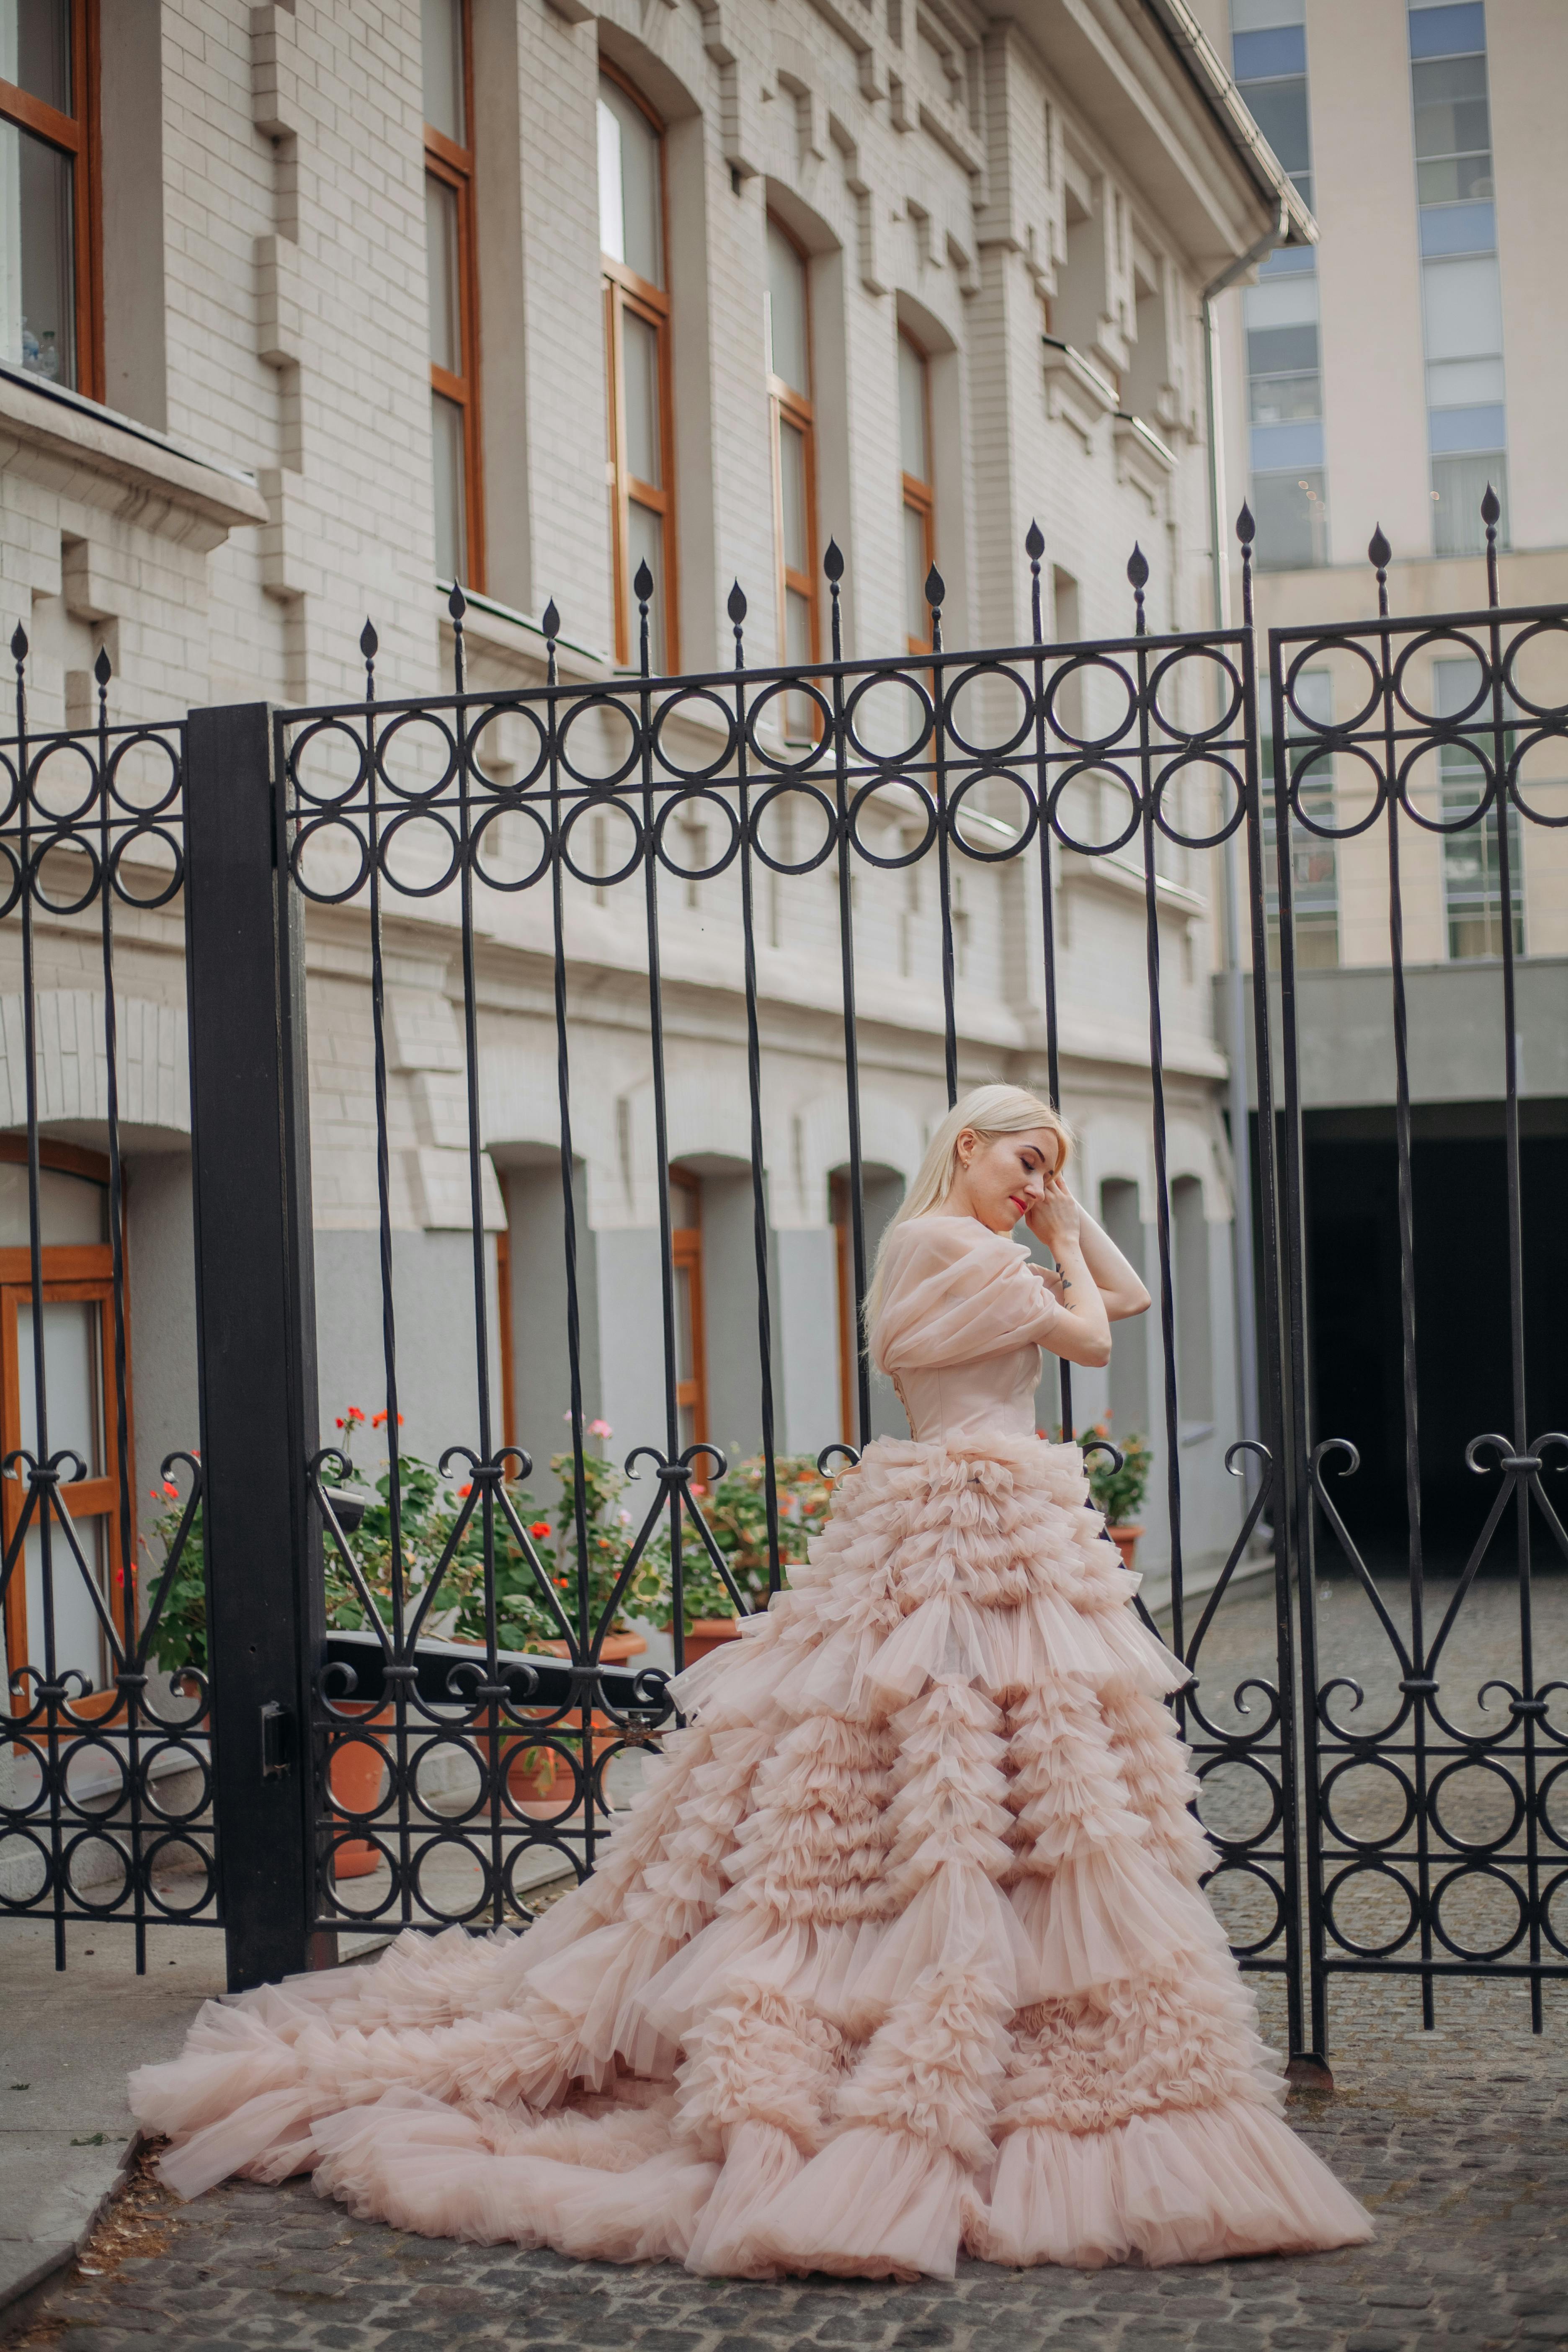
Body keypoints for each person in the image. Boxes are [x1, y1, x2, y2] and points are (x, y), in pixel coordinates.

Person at [130, 1083, 1372, 2277]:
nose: (1036, 1181)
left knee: (1017, 1750)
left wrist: (1057, 1212)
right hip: (959, 1512)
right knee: (922, 1740)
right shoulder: (947, 1245)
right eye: (1024, 1158)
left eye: (1050, 1162)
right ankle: (900, 1969)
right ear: (969, 1149)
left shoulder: (972, 1243)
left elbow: (1130, 1293)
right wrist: (1049, 1237)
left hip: (996, 1512)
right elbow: (1096, 1335)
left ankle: (982, 1957)